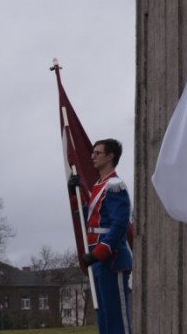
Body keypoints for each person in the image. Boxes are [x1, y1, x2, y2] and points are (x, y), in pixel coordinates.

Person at [68, 138, 132, 334]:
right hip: (96, 260)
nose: (92, 156)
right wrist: (74, 193)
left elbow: (120, 224)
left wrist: (100, 252)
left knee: (117, 319)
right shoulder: (98, 185)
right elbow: (89, 219)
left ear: (110, 156)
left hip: (111, 259)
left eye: (98, 153)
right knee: (104, 318)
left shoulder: (115, 185)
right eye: (93, 153)